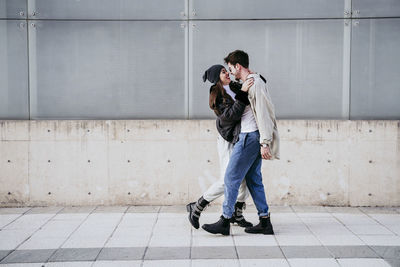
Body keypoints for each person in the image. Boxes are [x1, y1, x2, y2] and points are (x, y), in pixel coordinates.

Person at [202, 50, 280, 235]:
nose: (229, 72)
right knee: (254, 180)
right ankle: (265, 221)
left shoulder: (253, 82)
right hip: (250, 136)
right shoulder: (247, 82)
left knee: (230, 178)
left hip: (249, 137)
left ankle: (225, 220)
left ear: (238, 66)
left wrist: (265, 142)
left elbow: (263, 112)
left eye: (230, 68)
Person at [186, 64, 255, 229]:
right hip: (228, 139)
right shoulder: (217, 95)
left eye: (227, 70)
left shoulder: (234, 86)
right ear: (217, 77)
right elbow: (230, 116)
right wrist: (243, 93)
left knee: (243, 177)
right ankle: (198, 206)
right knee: (228, 179)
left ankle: (237, 214)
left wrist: (249, 77)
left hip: (242, 137)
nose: (227, 73)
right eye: (223, 72)